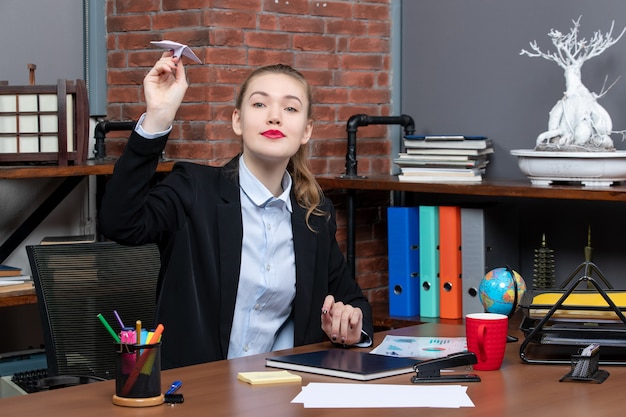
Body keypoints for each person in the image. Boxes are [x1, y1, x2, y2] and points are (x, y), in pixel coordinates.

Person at [99, 51, 374, 369]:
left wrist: (351, 327)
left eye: (290, 108)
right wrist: (158, 118)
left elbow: (354, 303)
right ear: (237, 121)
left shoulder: (314, 214)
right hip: (198, 394)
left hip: (281, 389)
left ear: (307, 131)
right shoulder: (194, 188)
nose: (274, 117)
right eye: (259, 104)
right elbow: (120, 222)